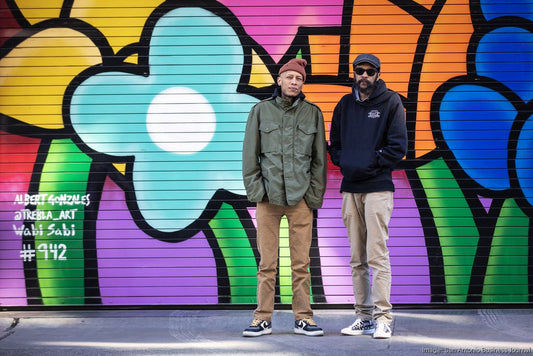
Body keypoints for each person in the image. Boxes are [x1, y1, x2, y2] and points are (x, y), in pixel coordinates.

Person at [241, 58, 327, 337]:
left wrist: (313, 196)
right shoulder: (260, 111)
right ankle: (262, 318)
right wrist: (257, 193)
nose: (294, 82)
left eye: (299, 79)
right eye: (289, 77)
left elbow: (318, 161)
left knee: (301, 264)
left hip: (301, 199)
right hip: (268, 199)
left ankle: (304, 318)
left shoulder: (313, 113)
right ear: (279, 80)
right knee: (267, 264)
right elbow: (249, 156)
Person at [328, 53, 408, 339]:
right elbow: (334, 143)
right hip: (350, 190)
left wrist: (368, 164)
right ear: (354, 73)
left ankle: (383, 318)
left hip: (377, 189)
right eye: (359, 71)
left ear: (377, 74)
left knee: (377, 256)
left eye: (370, 72)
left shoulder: (391, 101)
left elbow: (398, 146)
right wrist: (347, 161)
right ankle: (362, 317)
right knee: (356, 259)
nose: (364, 76)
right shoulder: (345, 104)